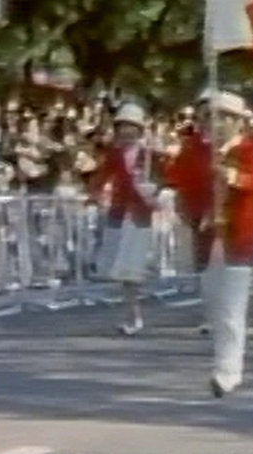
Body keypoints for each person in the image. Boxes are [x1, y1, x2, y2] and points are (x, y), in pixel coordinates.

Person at [202, 92, 253, 397]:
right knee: (214, 304)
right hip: (214, 236)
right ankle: (221, 362)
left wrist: (230, 175)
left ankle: (228, 372)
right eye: (209, 117)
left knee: (231, 309)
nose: (213, 124)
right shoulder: (209, 152)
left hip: (240, 236)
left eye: (219, 118)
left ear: (235, 122)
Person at [90, 102, 160, 335]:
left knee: (133, 268)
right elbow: (102, 175)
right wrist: (93, 194)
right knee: (122, 269)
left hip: (141, 216)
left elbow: (165, 181)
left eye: (131, 127)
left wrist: (155, 193)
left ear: (140, 129)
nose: (126, 132)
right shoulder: (115, 153)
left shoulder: (151, 155)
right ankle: (132, 312)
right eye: (122, 127)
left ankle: (134, 313)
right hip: (120, 214)